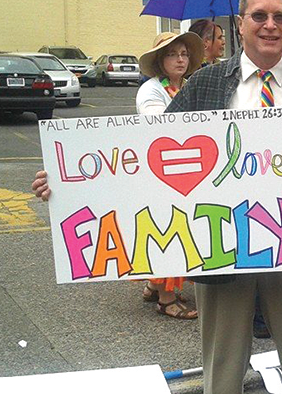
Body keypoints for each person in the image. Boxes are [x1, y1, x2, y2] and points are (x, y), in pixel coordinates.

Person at [166, 0, 282, 394]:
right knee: (222, 368)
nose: (270, 25)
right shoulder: (204, 85)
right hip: (221, 245)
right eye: (259, 15)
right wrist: (69, 181)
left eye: (281, 17)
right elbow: (148, 157)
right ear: (240, 23)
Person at [33, 31, 205, 319]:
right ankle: (166, 298)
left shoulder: (186, 86)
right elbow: (161, 124)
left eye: (184, 54)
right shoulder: (151, 90)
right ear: (160, 60)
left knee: (175, 226)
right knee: (165, 227)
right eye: (173, 54)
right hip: (156, 172)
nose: (180, 59)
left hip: (178, 169)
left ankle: (153, 284)